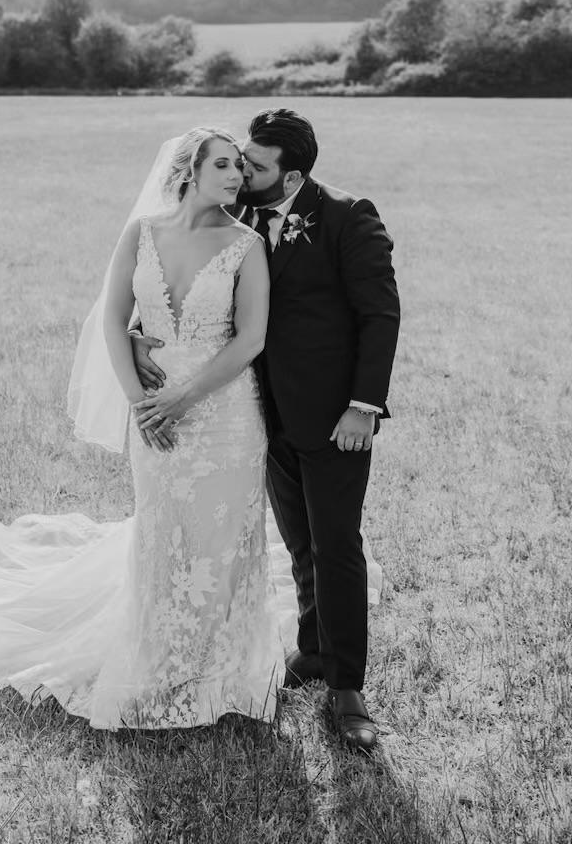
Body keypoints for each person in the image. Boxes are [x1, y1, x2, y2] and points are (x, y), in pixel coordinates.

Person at [0, 127, 284, 729]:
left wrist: (184, 397)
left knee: (224, 539)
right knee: (162, 534)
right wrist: (143, 403)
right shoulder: (141, 232)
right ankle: (155, 660)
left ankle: (222, 665)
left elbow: (251, 338)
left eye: (241, 169)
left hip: (224, 415)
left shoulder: (246, 245)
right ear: (190, 169)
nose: (237, 177)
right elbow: (113, 323)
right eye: (225, 165)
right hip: (154, 412)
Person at [132, 109, 400, 751]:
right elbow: (200, 292)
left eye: (255, 165)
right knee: (299, 542)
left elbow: (380, 315)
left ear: (294, 174)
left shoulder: (347, 216)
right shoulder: (241, 217)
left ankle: (346, 688)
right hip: (260, 413)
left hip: (336, 417)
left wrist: (364, 405)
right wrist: (146, 337)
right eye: (239, 161)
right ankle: (311, 651)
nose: (243, 172)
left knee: (336, 545)